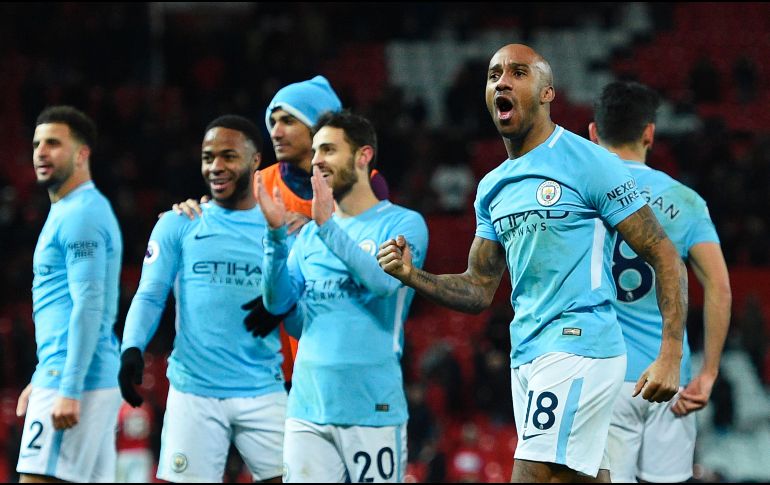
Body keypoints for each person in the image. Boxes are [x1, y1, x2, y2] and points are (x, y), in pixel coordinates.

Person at [377, 43, 688, 483]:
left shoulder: (589, 162)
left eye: (518, 73)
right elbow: (478, 288)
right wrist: (413, 276)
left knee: (532, 473)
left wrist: (670, 353)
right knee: (578, 476)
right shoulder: (491, 187)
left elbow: (664, 252)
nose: (502, 81)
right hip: (526, 352)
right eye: (494, 75)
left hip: (580, 342)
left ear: (547, 93)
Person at [171, 75, 389, 385]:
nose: (275, 131)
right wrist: (191, 212)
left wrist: (313, 230)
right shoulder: (257, 183)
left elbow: (368, 265)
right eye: (272, 121)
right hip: (269, 352)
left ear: (316, 127)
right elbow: (218, 227)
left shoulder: (365, 183)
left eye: (288, 121)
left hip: (338, 347)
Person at [255, 109, 428, 483]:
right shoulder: (309, 236)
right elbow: (282, 310)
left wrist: (328, 228)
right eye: (315, 152)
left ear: (363, 156)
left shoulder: (402, 223)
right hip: (306, 407)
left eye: (329, 150)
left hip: (372, 406)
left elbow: (385, 283)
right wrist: (273, 238)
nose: (316, 160)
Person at [118, 115, 286, 483]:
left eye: (228, 156)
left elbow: (298, 306)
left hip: (262, 387)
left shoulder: (278, 227)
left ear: (256, 160)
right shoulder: (178, 223)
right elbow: (150, 294)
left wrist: (283, 298)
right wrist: (131, 347)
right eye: (208, 157)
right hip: (194, 391)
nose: (216, 166)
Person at [589, 80, 732, 483]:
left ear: (594, 133)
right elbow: (719, 288)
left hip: (607, 376)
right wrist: (709, 374)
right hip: (672, 377)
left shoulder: (580, 198)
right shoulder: (686, 201)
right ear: (650, 132)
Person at [16, 105, 123, 483]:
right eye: (36, 144)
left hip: (76, 379)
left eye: (54, 144)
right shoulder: (72, 210)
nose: (41, 152)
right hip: (73, 372)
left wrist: (67, 386)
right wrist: (40, 375)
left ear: (82, 154)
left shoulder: (81, 214)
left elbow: (89, 305)